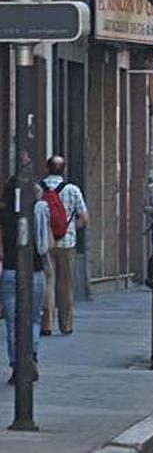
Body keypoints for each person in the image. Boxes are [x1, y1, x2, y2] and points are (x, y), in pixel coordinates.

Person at [0, 177, 51, 384]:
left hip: (11, 271)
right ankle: (32, 357)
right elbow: (47, 243)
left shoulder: (3, 215)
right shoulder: (38, 212)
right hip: (35, 271)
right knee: (33, 319)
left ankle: (16, 365)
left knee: (13, 323)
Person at [40, 155, 89, 336]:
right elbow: (84, 218)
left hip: (45, 243)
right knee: (66, 285)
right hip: (67, 243)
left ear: (47, 168)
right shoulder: (73, 190)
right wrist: (69, 229)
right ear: (64, 170)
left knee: (48, 282)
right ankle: (66, 325)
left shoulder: (39, 188)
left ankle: (47, 324)